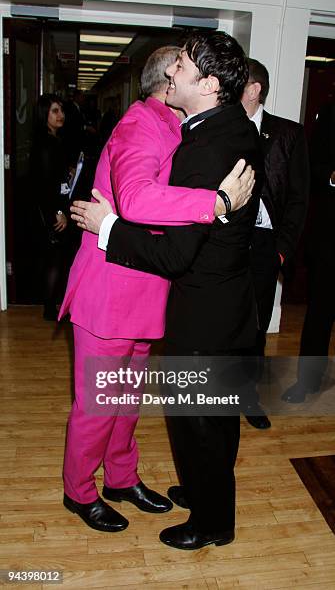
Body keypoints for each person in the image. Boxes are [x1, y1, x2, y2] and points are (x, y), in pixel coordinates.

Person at [71, 32, 263, 550]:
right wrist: (215, 202)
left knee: (153, 405)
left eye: (183, 62)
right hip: (118, 286)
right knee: (102, 400)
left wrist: (214, 203)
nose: (174, 70)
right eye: (174, 62)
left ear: (203, 83)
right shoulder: (149, 123)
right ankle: (80, 489)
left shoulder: (194, 133)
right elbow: (135, 197)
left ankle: (138, 482)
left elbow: (174, 244)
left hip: (175, 294)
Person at [240, 58, 310, 426]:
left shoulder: (288, 135)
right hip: (225, 239)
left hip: (266, 243)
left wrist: (282, 249)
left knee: (256, 324)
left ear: (254, 90)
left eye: (239, 84)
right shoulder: (223, 129)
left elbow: (299, 199)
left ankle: (250, 396)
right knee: (223, 321)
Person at [282, 101, 335, 403]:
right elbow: (312, 166)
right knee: (319, 313)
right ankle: (307, 381)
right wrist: (332, 175)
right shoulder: (330, 109)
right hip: (331, 236)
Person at [31, 94, 69, 320]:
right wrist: (57, 212)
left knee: (56, 258)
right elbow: (45, 184)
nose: (60, 115)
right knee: (54, 259)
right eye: (55, 111)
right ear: (44, 115)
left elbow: (54, 175)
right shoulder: (45, 143)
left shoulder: (54, 139)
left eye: (61, 110)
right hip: (51, 209)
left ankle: (52, 305)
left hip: (55, 205)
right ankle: (49, 308)